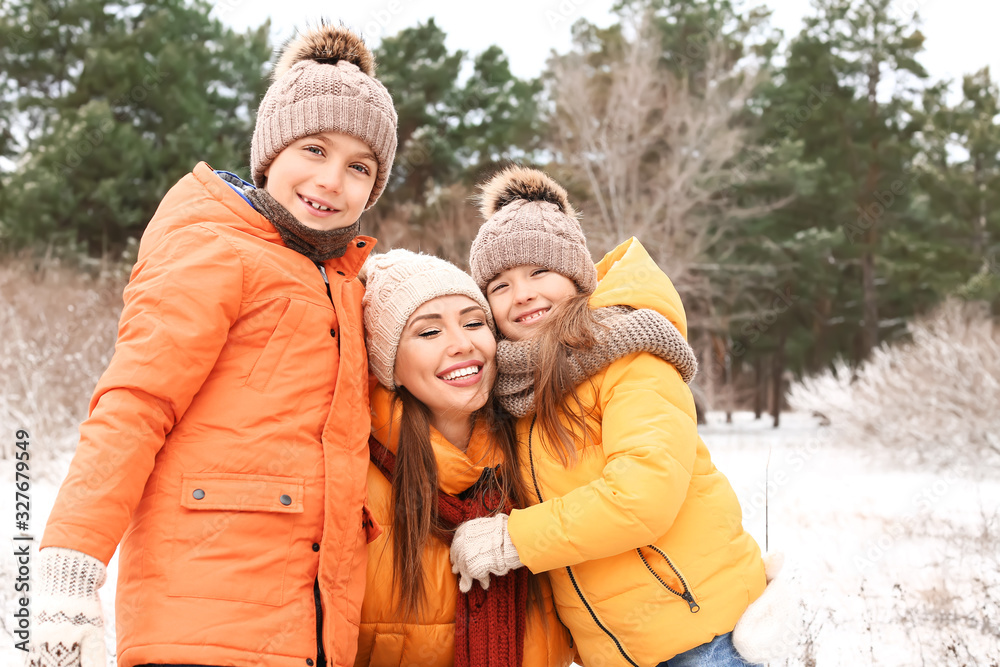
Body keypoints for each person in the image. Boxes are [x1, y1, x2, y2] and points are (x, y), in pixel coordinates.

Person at [27, 23, 397, 667]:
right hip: (200, 617)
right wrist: (71, 562)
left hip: (306, 631)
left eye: (359, 166)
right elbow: (135, 403)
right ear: (270, 152)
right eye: (314, 148)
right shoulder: (215, 249)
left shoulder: (338, 282)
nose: (332, 180)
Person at [449, 166, 768, 667]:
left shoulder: (632, 357)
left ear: (576, 277)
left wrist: (514, 539)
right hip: (617, 654)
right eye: (500, 285)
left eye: (538, 273)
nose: (522, 295)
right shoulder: (517, 392)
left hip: (705, 636)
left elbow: (643, 497)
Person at [354, 249, 574, 667]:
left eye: (474, 323)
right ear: (390, 367)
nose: (462, 344)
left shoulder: (535, 454)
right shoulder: (354, 478)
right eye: (428, 333)